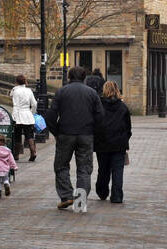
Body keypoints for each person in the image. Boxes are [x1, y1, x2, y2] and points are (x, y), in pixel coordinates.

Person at [44, 64, 104, 209]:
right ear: (84, 77)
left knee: (61, 165)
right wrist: (93, 131)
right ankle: (80, 201)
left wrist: (56, 132)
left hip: (65, 133)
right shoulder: (92, 93)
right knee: (84, 169)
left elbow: (51, 115)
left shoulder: (62, 92)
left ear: (69, 77)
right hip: (86, 134)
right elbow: (101, 116)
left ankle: (66, 195)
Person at [95, 81, 132, 204]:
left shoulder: (99, 106)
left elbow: (95, 123)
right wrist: (125, 139)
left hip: (102, 143)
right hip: (119, 144)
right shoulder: (123, 107)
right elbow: (128, 127)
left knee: (103, 169)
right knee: (117, 170)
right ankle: (117, 196)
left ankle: (102, 191)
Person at [10, 74, 38, 162]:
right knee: (29, 135)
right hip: (28, 115)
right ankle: (33, 152)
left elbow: (16, 105)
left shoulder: (15, 91)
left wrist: (14, 117)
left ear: (16, 82)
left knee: (17, 135)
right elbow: (34, 104)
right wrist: (32, 113)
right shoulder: (29, 90)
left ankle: (16, 155)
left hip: (18, 115)